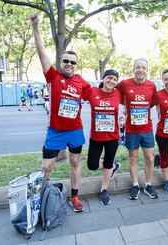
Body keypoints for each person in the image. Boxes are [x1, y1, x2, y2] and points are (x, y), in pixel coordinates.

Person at [31, 12, 91, 212]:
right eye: (66, 61)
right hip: (55, 130)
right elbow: (41, 54)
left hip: (75, 130)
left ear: (76, 65)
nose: (69, 64)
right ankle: (41, 196)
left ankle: (74, 197)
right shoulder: (53, 77)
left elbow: (97, 96)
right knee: (47, 166)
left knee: (75, 161)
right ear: (61, 62)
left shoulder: (81, 81)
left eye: (73, 62)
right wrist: (35, 27)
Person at [117, 58, 159, 200]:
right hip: (131, 130)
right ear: (133, 69)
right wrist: (125, 109)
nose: (141, 70)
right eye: (138, 67)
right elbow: (114, 92)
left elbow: (152, 103)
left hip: (146, 128)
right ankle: (135, 185)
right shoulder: (124, 84)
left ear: (147, 70)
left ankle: (148, 185)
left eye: (144, 68)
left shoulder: (152, 86)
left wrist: (140, 109)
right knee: (133, 158)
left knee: (150, 158)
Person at [83, 69, 122, 205]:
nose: (111, 81)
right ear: (103, 79)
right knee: (92, 165)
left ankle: (104, 190)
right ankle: (113, 167)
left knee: (107, 163)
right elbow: (77, 92)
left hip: (112, 137)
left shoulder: (118, 93)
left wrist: (124, 118)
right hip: (96, 137)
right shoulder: (93, 92)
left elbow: (130, 103)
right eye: (109, 78)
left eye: (114, 79)